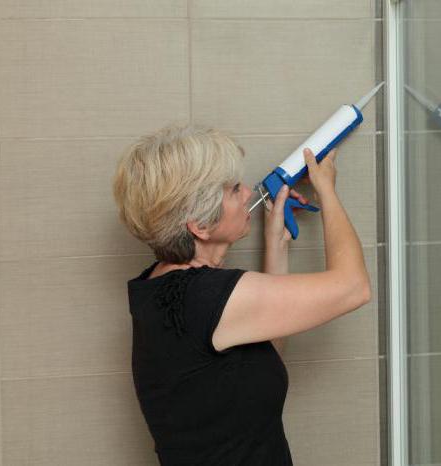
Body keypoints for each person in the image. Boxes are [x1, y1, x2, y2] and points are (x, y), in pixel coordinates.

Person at [111, 123, 371, 465]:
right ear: (200, 226)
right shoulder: (205, 298)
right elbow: (353, 287)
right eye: (233, 189)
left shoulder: (161, 289)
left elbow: (258, 353)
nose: (248, 193)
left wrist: (275, 242)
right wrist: (327, 191)